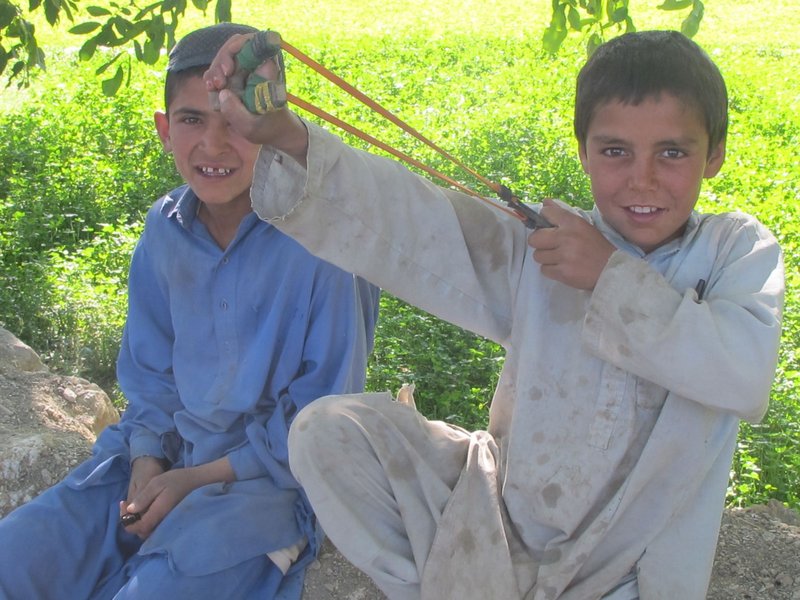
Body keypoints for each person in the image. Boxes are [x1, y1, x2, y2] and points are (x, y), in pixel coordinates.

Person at [205, 30, 784, 599]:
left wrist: (609, 276)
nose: (642, 178)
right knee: (327, 432)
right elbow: (418, 222)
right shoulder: (548, 245)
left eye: (672, 152)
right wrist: (285, 135)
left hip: (628, 569)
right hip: (500, 523)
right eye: (615, 151)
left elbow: (743, 374)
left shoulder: (736, 251)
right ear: (583, 152)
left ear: (714, 156)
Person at [0, 23, 379, 600]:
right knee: (18, 559)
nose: (214, 145)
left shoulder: (325, 244)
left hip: (268, 484)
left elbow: (319, 419)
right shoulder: (165, 229)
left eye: (237, 123)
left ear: (275, 129)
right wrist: (150, 461)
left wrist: (194, 480)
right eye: (193, 119)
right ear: (163, 129)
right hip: (163, 453)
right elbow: (152, 379)